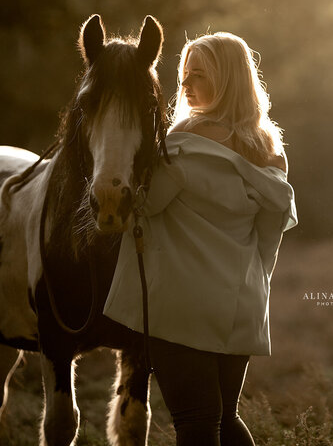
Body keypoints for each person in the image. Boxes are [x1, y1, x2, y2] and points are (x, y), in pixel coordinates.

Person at [104, 32, 297, 445]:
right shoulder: (268, 151)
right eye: (184, 75)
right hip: (239, 305)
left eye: (198, 76)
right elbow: (268, 238)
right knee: (225, 420)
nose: (186, 85)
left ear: (226, 81)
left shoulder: (183, 144)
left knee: (195, 423)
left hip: (181, 308)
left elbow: (146, 208)